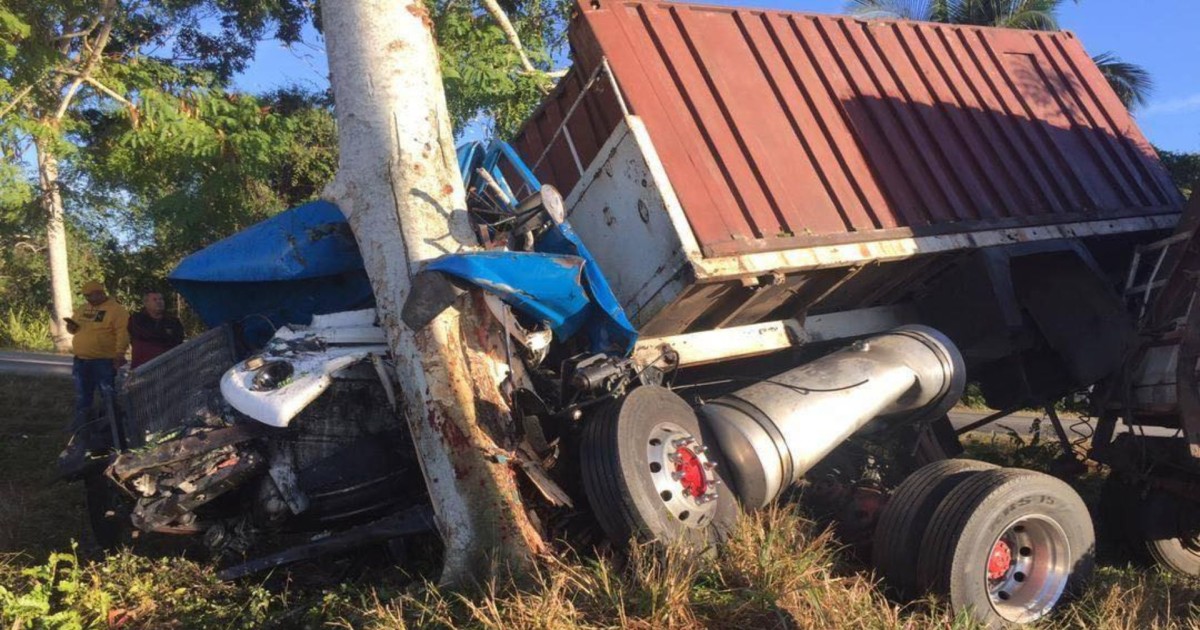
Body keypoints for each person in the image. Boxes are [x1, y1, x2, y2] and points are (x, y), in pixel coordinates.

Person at [66, 281, 129, 434]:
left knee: (107, 395)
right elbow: (74, 329)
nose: (88, 299)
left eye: (90, 295)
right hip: (81, 360)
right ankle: (82, 428)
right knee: (82, 396)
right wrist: (71, 327)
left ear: (100, 293)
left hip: (103, 361)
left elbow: (123, 333)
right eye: (86, 296)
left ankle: (112, 429)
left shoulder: (116, 310)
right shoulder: (83, 309)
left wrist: (120, 353)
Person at [128, 290, 184, 369]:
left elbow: (178, 341)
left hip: (168, 366)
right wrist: (165, 336)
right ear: (146, 303)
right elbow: (145, 335)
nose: (159, 302)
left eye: (161, 299)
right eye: (154, 300)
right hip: (143, 367)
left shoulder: (173, 321)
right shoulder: (137, 319)